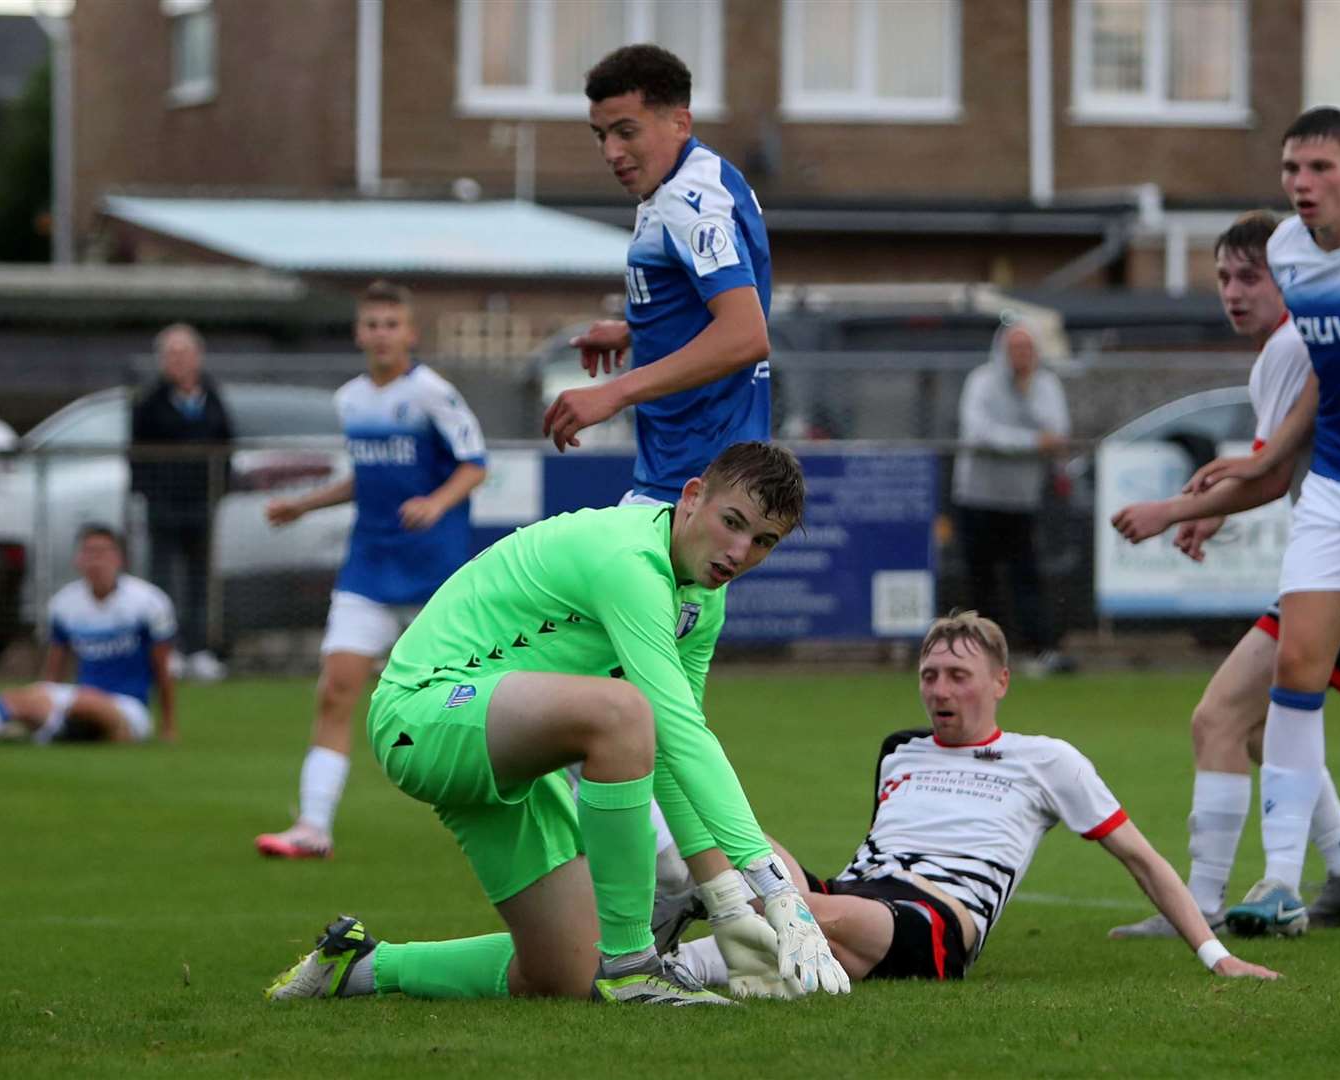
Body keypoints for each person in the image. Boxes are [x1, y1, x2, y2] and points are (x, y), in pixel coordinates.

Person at [264, 443, 850, 1005]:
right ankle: (634, 967)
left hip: (513, 748)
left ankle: (357, 967)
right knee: (622, 712)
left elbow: (674, 749)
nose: (740, 551)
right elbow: (675, 729)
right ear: (692, 496)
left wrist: (726, 904)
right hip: (423, 714)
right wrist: (775, 891)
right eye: (733, 521)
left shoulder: (702, 597)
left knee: (566, 973)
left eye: (763, 541)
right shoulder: (629, 559)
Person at [657, 611, 1280, 986]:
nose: (939, 690)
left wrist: (1216, 956)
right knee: (729, 836)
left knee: (809, 919)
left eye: (958, 676)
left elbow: (1143, 859)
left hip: (935, 919)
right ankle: (662, 931)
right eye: (929, 675)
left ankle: (677, 967)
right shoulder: (900, 749)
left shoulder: (1049, 760)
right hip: (851, 888)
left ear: (1000, 682)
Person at [1106, 211, 1340, 938]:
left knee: (1219, 718)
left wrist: (1170, 510)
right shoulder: (1294, 349)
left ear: (1289, 278)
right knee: (1264, 728)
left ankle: (1197, 906)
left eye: (1248, 276)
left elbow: (1264, 478)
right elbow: (1275, 464)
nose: (1232, 291)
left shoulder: (1293, 345)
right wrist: (1212, 509)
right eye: (1222, 277)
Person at [1191, 107, 1340, 936]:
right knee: (1293, 677)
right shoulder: (1288, 256)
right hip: (1338, 487)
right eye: (1290, 170)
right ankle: (1278, 881)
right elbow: (1322, 380)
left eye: (1318, 169)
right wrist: (1265, 457)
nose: (1301, 185)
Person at [255, 281, 488, 860]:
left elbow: (474, 464)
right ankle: (313, 828)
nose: (381, 334)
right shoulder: (351, 400)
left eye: (392, 324)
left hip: (432, 573)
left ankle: (535, 801)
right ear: (359, 333)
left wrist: (436, 503)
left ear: (410, 332)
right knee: (336, 690)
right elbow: (366, 477)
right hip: (368, 569)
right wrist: (303, 504)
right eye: (372, 324)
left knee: (465, 700)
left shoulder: (433, 393)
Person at [543, 44, 772, 505]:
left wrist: (614, 393)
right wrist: (639, 330)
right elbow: (717, 301)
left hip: (696, 482)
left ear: (679, 123)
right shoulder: (700, 177)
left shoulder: (687, 203)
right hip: (689, 472)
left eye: (626, 132)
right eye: (601, 134)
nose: (611, 151)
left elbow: (746, 334)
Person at [0, 525, 177, 747]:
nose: (96, 560)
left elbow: (162, 670)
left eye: (103, 552)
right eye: (89, 552)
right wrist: (45, 694)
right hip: (78, 698)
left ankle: (39, 729)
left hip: (128, 708)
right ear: (78, 560)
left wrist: (168, 726)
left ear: (119, 559)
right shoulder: (65, 604)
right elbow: (54, 667)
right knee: (17, 699)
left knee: (89, 707)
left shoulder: (148, 602)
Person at [950, 319, 1071, 673]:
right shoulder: (981, 382)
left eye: (1028, 348)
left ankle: (1040, 649)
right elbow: (980, 434)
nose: (1022, 356)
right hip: (977, 497)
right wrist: (1031, 442)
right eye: (1015, 349)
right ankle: (981, 655)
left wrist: (1025, 392)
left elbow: (1058, 432)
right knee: (980, 579)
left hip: (1022, 499)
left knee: (1026, 576)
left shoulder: (1045, 385)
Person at [130, 322, 234, 682]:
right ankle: (166, 650)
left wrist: (220, 489)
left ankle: (199, 649)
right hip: (164, 505)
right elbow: (136, 454)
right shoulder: (149, 402)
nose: (178, 360)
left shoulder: (213, 397)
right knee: (163, 582)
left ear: (198, 357)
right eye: (171, 354)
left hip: (202, 504)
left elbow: (226, 444)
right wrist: (148, 493)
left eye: (184, 352)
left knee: (201, 582)